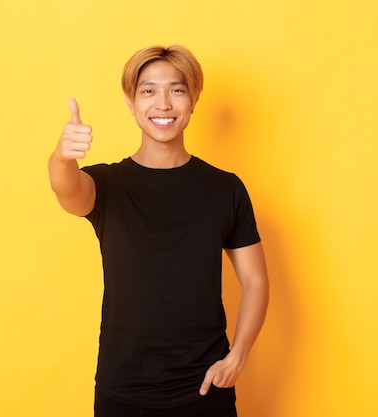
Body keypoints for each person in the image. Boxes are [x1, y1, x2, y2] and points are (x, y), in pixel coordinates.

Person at [48, 45, 269, 417]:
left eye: (176, 90)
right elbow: (67, 188)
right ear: (131, 104)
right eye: (148, 91)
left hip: (206, 390)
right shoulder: (107, 185)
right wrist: (62, 156)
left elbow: (256, 281)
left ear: (194, 100)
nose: (163, 103)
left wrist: (238, 355)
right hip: (124, 390)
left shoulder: (225, 189)